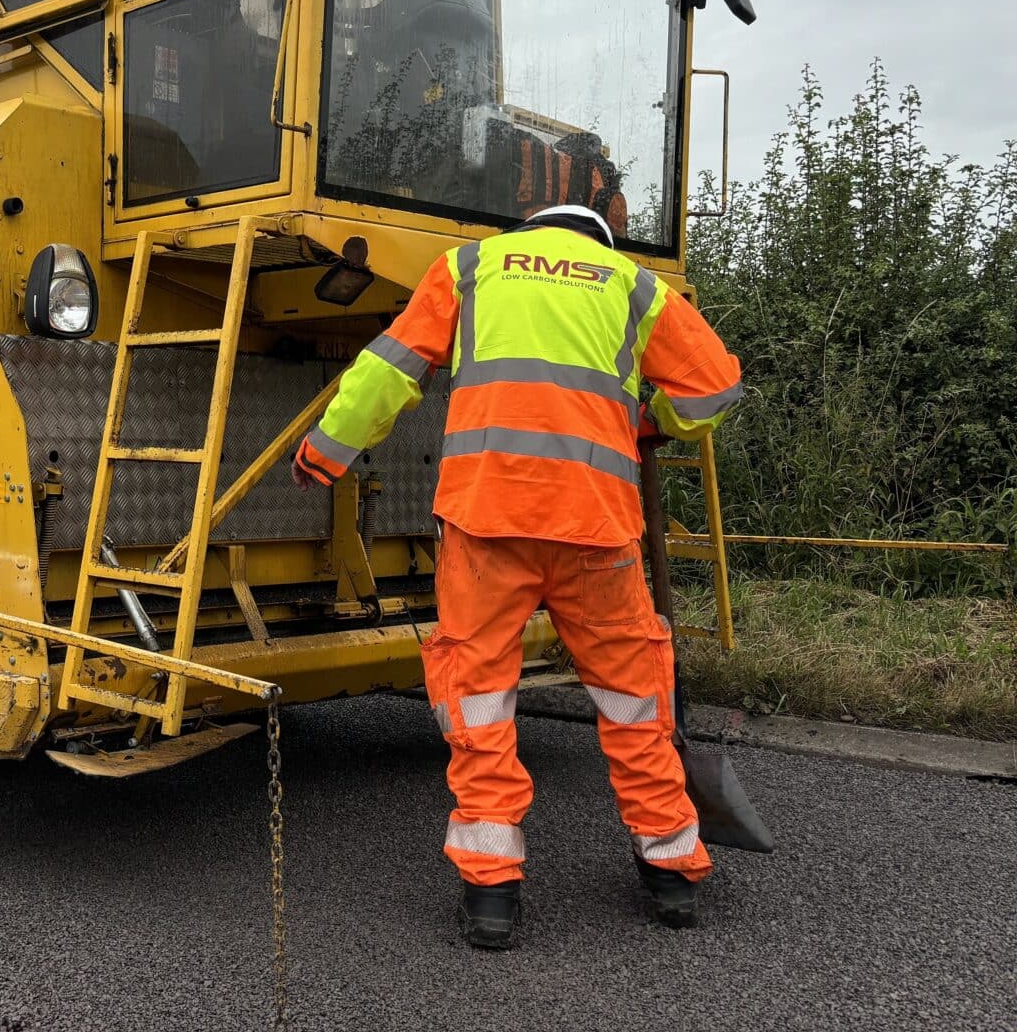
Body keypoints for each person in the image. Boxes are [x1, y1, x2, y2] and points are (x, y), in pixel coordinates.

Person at [292, 203, 743, 949]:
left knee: (478, 699)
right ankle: (670, 870)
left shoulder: (471, 270)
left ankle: (491, 889)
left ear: (528, 229)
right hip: (596, 528)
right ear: (594, 237)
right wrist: (648, 420)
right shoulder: (634, 286)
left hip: (486, 522)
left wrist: (328, 451)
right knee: (634, 699)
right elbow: (715, 391)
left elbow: (388, 372)